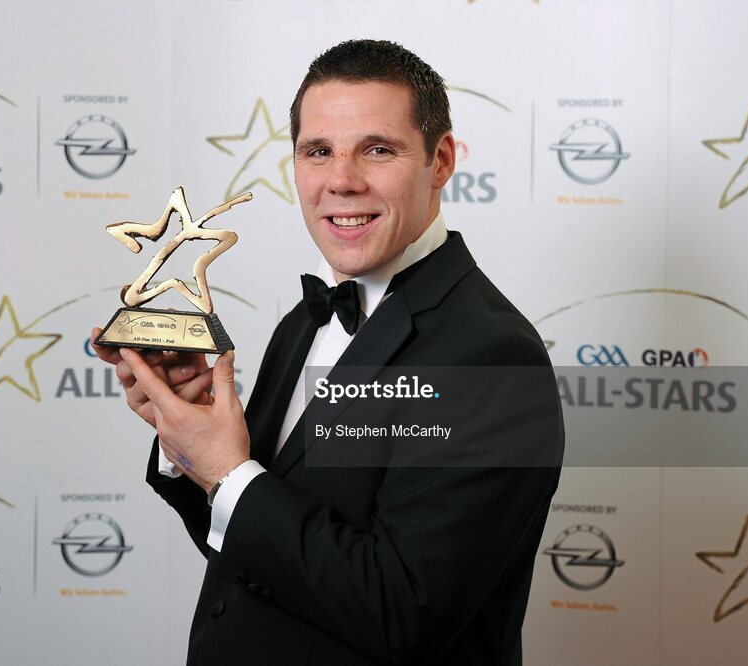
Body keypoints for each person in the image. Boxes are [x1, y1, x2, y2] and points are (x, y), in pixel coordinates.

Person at [92, 39, 563, 666]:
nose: (341, 181)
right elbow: (254, 543)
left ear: (441, 160)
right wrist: (190, 437)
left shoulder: (492, 357)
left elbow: (404, 614)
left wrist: (228, 473)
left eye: (378, 149)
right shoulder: (303, 321)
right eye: (319, 152)